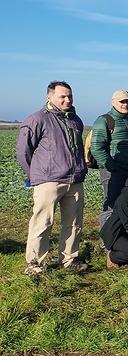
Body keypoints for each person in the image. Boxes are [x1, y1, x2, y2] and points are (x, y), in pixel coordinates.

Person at [17, 81, 88, 274]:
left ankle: (68, 259)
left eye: (70, 96)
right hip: (49, 181)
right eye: (62, 96)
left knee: (73, 224)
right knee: (42, 223)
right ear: (49, 97)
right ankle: (35, 263)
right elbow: (23, 152)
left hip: (74, 180)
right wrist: (36, 176)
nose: (67, 100)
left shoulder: (75, 120)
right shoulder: (37, 119)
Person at [91, 89, 128, 230]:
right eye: (122, 101)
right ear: (113, 102)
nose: (125, 104)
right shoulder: (104, 120)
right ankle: (107, 239)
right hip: (112, 171)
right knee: (110, 206)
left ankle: (122, 235)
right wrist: (111, 167)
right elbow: (97, 147)